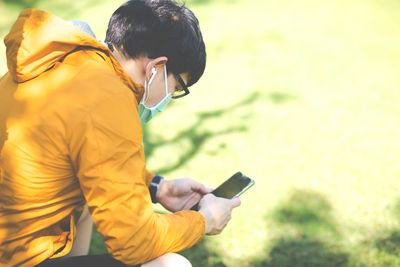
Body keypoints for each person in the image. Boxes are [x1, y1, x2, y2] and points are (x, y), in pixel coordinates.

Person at [0, 0, 241, 266]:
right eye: (177, 87)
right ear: (156, 68)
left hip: (10, 237)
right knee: (173, 265)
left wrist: (158, 188)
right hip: (16, 258)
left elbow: (95, 161)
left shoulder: (66, 60)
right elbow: (134, 241)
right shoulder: (108, 100)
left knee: (85, 209)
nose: (170, 96)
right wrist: (204, 221)